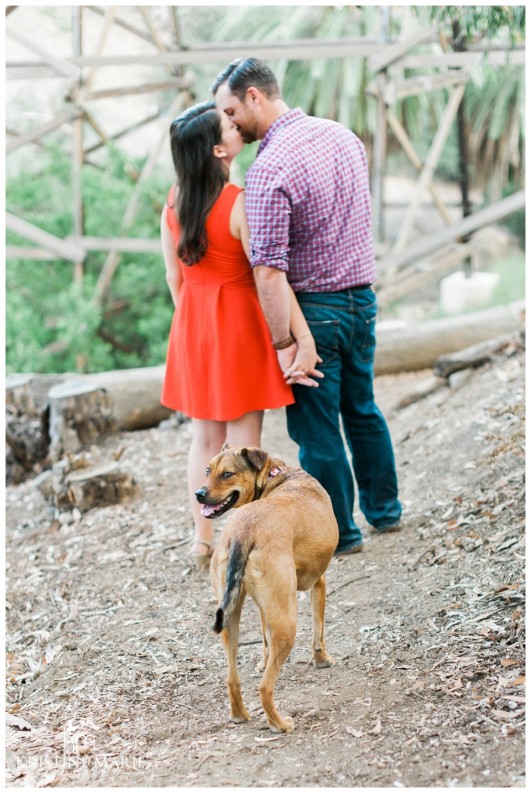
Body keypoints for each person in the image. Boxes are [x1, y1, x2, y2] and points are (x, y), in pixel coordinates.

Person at [212, 58, 402, 555]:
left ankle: (340, 533)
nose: (231, 123)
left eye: (232, 111)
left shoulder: (270, 167)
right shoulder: (342, 136)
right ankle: (386, 512)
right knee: (362, 408)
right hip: (362, 301)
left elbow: (269, 271)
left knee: (317, 428)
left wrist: (282, 342)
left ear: (255, 96)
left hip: (314, 310)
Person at [160, 100, 320, 569]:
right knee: (244, 445)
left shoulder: (172, 202)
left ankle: (202, 539)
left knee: (204, 441)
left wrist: (194, 323)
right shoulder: (237, 202)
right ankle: (242, 541)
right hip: (238, 328)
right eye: (228, 126)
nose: (236, 127)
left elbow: (174, 278)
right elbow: (267, 274)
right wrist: (298, 335)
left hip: (193, 324)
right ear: (217, 151)